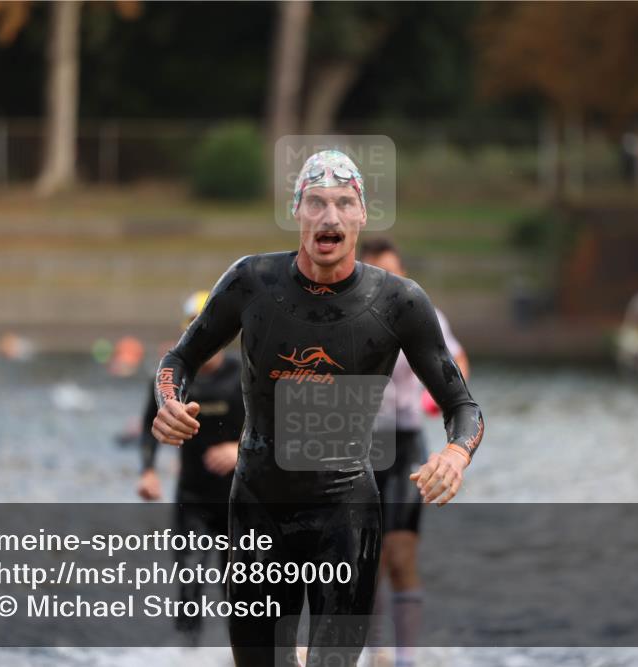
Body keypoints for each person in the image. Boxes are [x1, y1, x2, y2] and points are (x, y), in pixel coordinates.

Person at [151, 150, 484, 666]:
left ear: (361, 215)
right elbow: (180, 358)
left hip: (345, 510)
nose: (330, 217)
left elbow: (461, 404)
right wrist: (168, 401)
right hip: (258, 506)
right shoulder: (251, 282)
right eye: (317, 203)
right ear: (297, 213)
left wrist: (457, 454)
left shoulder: (400, 302)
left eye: (344, 203)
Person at [359, 238, 469, 667]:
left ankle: (405, 659)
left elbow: (458, 360)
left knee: (400, 557)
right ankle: (372, 654)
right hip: (358, 448)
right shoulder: (346, 315)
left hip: (405, 443)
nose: (384, 283)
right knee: (366, 564)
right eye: (375, 274)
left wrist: (439, 396)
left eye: (391, 273)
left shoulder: (421, 311)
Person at [136, 291, 244, 644]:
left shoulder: (244, 374)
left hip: (237, 501)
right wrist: (148, 471)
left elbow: (279, 426)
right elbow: (149, 425)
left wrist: (239, 448)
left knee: (238, 590)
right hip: (193, 498)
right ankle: (187, 656)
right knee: (190, 579)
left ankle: (240, 657)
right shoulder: (174, 378)